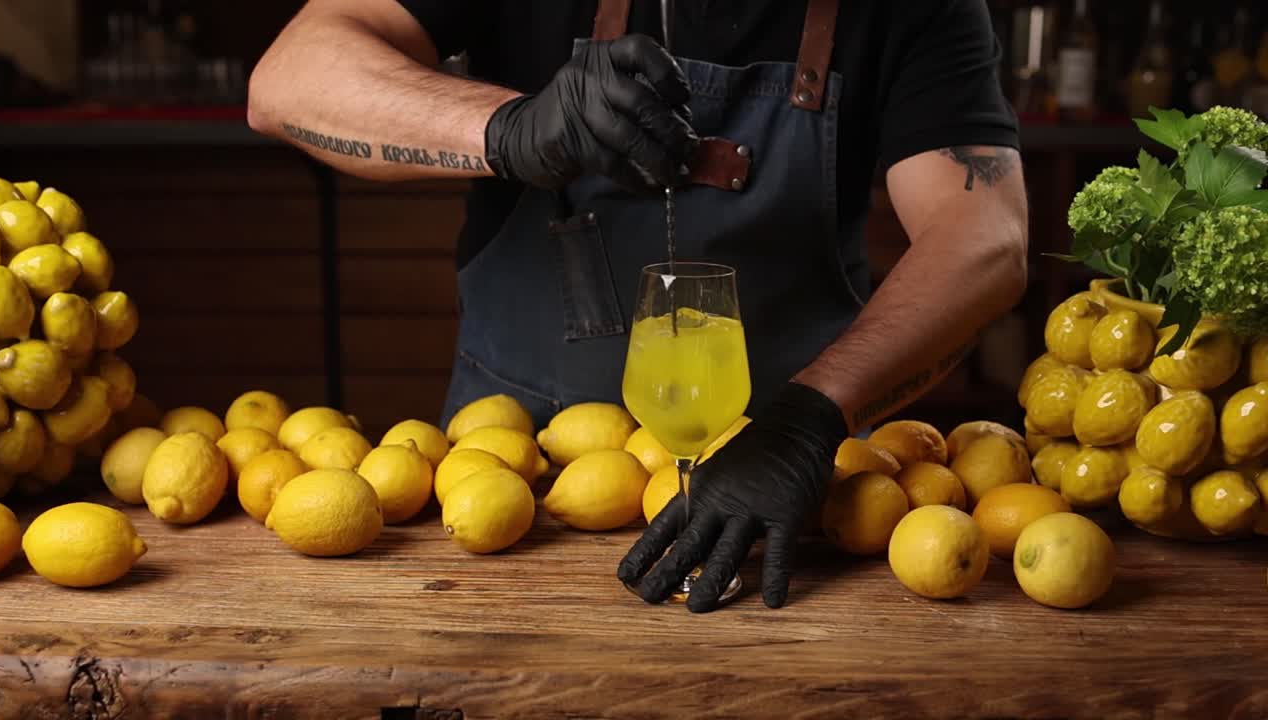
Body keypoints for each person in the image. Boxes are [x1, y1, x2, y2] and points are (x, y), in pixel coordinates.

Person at [247, 0, 1029, 613]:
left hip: (793, 505)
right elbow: (288, 79)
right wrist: (510, 128)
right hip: (519, 500)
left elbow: (986, 234)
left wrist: (813, 418)